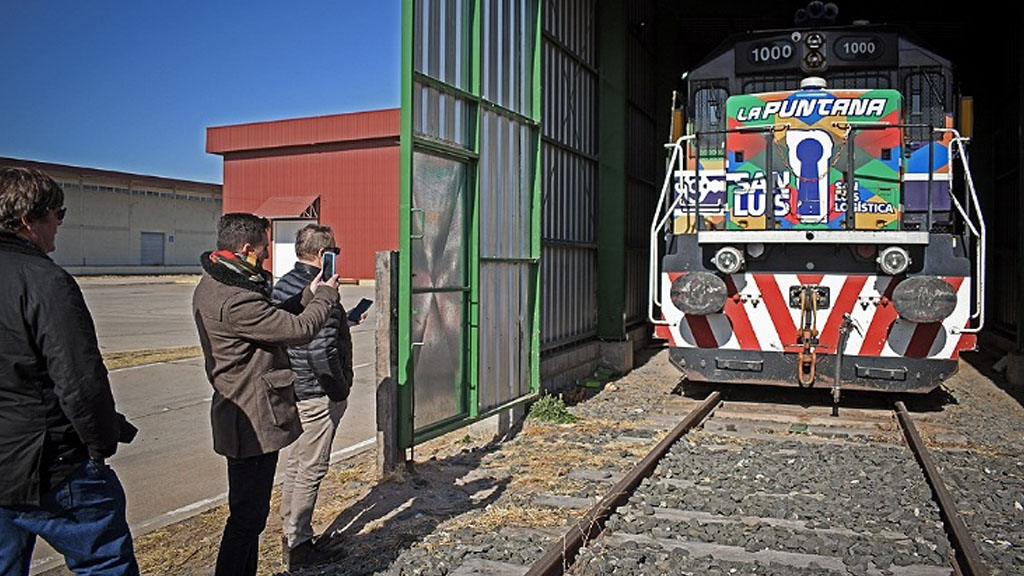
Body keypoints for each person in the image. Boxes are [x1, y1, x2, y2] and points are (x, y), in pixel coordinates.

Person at [0, 167, 140, 576]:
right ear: (29, 220)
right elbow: (80, 383)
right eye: (57, 215)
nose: (59, 226)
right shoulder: (45, 280)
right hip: (52, 466)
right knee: (105, 563)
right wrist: (99, 445)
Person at [192, 213, 340, 576]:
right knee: (246, 520)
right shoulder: (236, 299)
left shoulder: (218, 283)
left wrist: (307, 294)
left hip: (243, 412)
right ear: (245, 249)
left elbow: (270, 321)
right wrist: (326, 297)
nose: (267, 257)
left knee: (248, 519)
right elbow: (301, 330)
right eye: (263, 250)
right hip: (251, 418)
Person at [272, 225, 358, 569]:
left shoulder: (285, 285)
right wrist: (339, 390)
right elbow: (321, 349)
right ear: (324, 255)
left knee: (296, 464)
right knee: (311, 467)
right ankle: (299, 544)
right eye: (335, 250)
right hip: (317, 391)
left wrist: (344, 321)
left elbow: (303, 331)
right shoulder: (322, 289)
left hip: (295, 386)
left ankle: (290, 532)